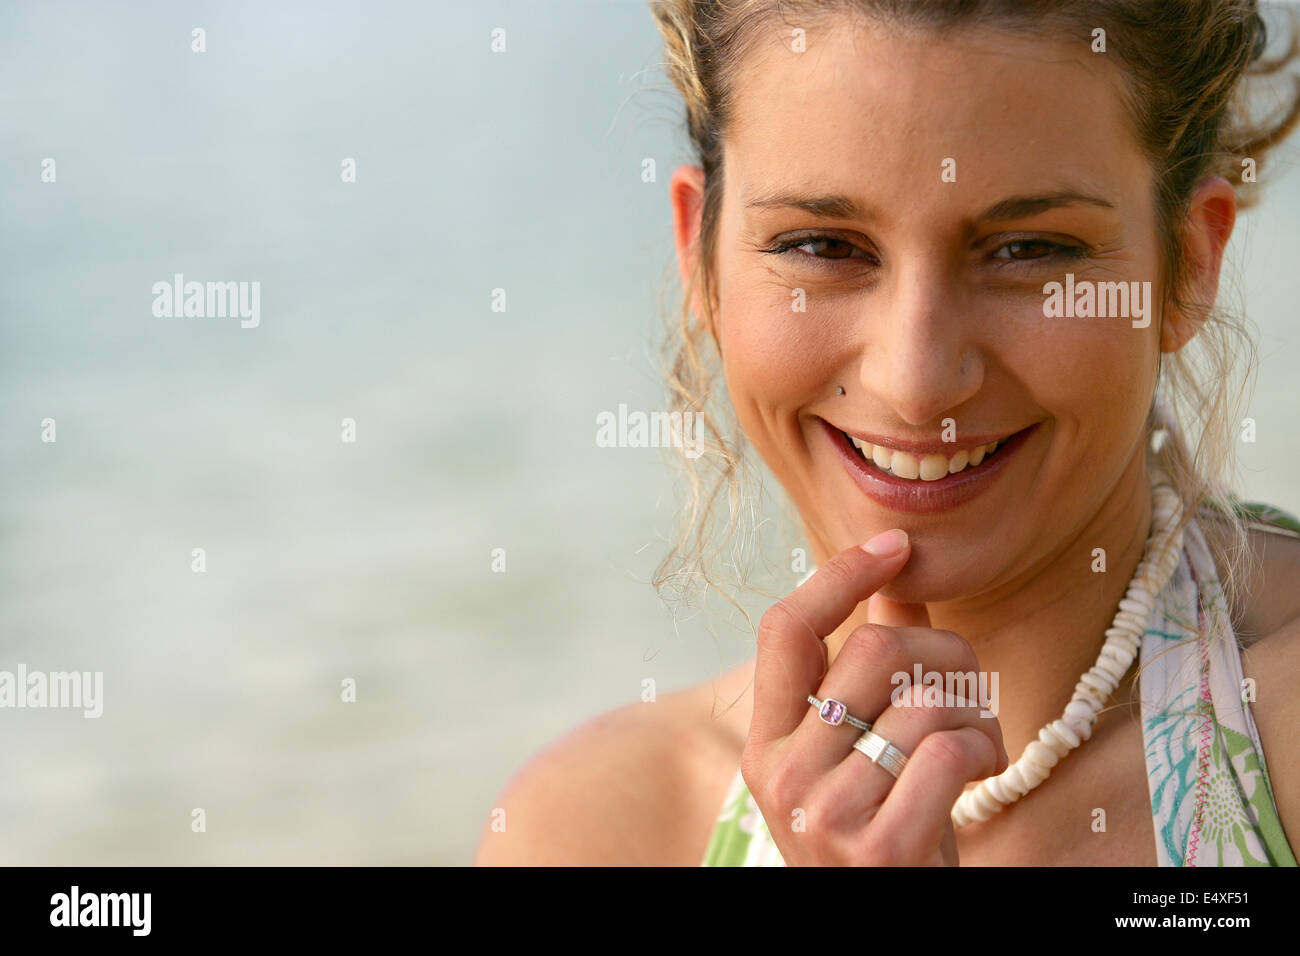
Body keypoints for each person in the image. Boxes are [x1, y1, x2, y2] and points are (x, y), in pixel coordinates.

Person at [475, 0, 1300, 866]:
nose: (915, 383)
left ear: (1190, 267)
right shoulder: (596, 830)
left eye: (1028, 250)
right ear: (699, 258)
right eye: (821, 246)